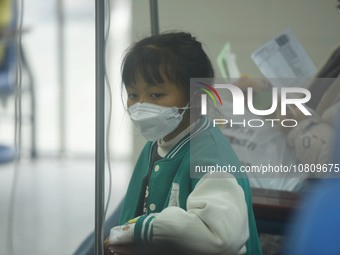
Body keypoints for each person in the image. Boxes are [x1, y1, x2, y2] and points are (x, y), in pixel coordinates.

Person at [105, 32, 262, 255]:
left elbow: (219, 236)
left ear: (197, 97)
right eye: (132, 94)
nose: (141, 106)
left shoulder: (211, 159)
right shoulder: (157, 144)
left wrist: (141, 229)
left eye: (156, 95)